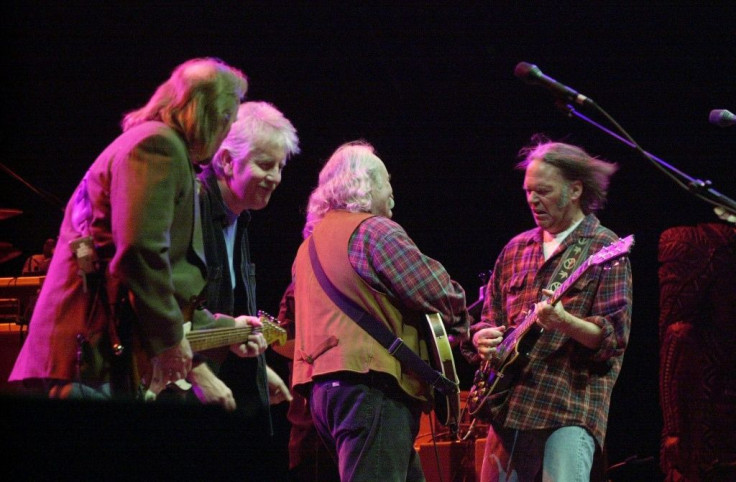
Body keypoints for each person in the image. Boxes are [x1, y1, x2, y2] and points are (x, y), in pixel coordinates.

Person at [9, 57, 268, 401]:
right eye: (228, 121)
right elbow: (140, 251)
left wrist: (227, 330)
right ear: (209, 114)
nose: (224, 136)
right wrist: (169, 340)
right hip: (87, 362)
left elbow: (165, 279)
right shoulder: (157, 146)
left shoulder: (159, 146)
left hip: (95, 362)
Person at [290, 141, 470, 481]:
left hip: (323, 394)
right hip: (372, 389)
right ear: (366, 183)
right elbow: (441, 293)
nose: (392, 196)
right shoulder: (373, 230)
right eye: (387, 183)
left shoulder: (306, 248)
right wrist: (463, 321)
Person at [465, 138, 632, 481]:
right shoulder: (515, 249)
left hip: (568, 403)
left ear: (574, 190)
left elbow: (612, 338)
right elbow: (488, 319)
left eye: (542, 190)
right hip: (509, 403)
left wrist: (564, 322)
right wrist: (483, 337)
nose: (532, 200)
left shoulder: (605, 248)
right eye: (528, 191)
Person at [196, 101, 298, 468]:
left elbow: (230, 313)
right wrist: (198, 373)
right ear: (226, 161)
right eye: (266, 165)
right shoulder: (192, 208)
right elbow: (164, 311)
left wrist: (259, 369)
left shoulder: (239, 218)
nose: (276, 178)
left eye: (280, 167)